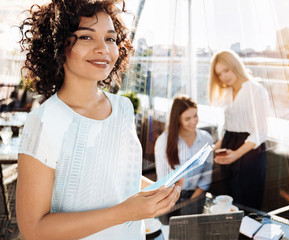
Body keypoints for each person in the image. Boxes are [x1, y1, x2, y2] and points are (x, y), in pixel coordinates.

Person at [16, 1, 181, 239]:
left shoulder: (123, 108)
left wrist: (161, 189)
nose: (103, 49)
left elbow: (115, 176)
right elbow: (33, 229)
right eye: (86, 37)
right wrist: (125, 212)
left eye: (111, 39)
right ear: (58, 45)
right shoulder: (45, 121)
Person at [209, 50, 271, 210]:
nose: (224, 77)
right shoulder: (227, 92)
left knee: (248, 202)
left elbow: (261, 132)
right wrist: (212, 150)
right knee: (231, 202)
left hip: (248, 153)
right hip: (229, 149)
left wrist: (236, 154)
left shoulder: (256, 90)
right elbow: (229, 129)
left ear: (235, 66)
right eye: (219, 74)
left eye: (226, 70)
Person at [155, 96, 213, 205]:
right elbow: (162, 182)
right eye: (187, 119)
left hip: (197, 196)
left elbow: (206, 176)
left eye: (195, 116)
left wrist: (191, 202)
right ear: (178, 119)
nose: (194, 121)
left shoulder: (206, 139)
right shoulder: (163, 141)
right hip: (169, 197)